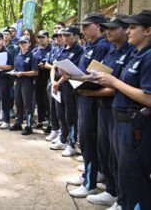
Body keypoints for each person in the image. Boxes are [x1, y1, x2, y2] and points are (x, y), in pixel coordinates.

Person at [95, 10, 151, 210]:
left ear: (148, 31)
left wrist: (115, 82)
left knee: (135, 175)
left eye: (133, 27)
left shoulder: (149, 56)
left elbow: (149, 97)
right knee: (123, 172)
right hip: (120, 121)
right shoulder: (136, 54)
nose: (128, 31)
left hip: (136, 125)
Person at [78, 16, 134, 207]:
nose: (107, 31)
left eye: (112, 28)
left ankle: (121, 197)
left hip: (117, 110)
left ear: (125, 30)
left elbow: (117, 85)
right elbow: (101, 75)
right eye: (106, 28)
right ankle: (111, 190)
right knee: (106, 152)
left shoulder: (132, 53)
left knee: (119, 157)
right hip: (104, 107)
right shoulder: (111, 51)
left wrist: (90, 91)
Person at [68, 13, 111, 198]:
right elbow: (83, 70)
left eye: (87, 25)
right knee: (87, 139)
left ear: (98, 26)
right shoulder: (90, 45)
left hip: (93, 98)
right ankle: (91, 173)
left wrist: (79, 77)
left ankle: (90, 182)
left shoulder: (103, 46)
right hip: (84, 95)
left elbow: (98, 76)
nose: (83, 29)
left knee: (89, 139)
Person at [49, 27, 83, 156]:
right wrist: (53, 82)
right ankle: (63, 138)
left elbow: (70, 72)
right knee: (60, 113)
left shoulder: (79, 51)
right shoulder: (61, 50)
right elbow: (54, 66)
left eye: (67, 35)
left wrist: (59, 82)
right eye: (63, 35)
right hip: (58, 86)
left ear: (75, 36)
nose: (65, 37)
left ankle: (72, 143)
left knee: (71, 116)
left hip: (69, 87)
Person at [9, 36, 39, 135]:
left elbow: (35, 72)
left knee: (28, 104)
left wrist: (22, 73)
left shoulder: (32, 56)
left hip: (27, 82)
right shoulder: (17, 55)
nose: (22, 44)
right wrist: (14, 72)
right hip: (17, 81)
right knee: (18, 103)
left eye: (24, 42)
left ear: (29, 43)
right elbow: (16, 68)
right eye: (21, 43)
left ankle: (29, 125)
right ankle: (18, 122)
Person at [44, 29, 65, 142]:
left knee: (60, 109)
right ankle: (54, 129)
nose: (58, 38)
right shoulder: (55, 49)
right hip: (52, 80)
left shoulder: (65, 50)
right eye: (56, 36)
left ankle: (62, 132)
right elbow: (50, 64)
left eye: (61, 36)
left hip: (62, 81)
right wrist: (52, 81)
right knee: (52, 107)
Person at [33, 30, 52, 131]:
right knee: (39, 100)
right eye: (39, 37)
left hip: (48, 77)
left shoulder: (52, 49)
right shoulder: (35, 50)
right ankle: (40, 120)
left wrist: (45, 66)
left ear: (48, 38)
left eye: (43, 37)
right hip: (37, 78)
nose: (40, 39)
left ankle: (50, 122)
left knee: (48, 101)